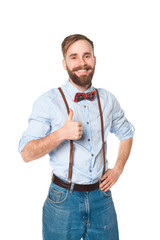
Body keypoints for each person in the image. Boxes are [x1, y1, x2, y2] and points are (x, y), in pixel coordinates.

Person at [18, 34, 134, 240]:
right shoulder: (48, 101)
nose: (82, 63)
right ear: (64, 64)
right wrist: (61, 134)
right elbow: (26, 153)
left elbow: (126, 133)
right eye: (74, 57)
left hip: (102, 199)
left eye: (87, 56)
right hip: (63, 200)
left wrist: (117, 170)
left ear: (94, 60)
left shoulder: (108, 99)